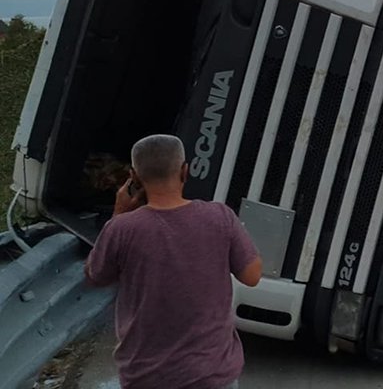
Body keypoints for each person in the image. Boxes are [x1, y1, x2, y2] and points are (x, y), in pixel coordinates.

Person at [85, 134, 262, 389]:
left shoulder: (122, 229)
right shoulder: (220, 217)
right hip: (213, 375)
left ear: (134, 177)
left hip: (147, 378)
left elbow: (95, 275)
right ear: (185, 171)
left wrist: (118, 215)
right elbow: (252, 276)